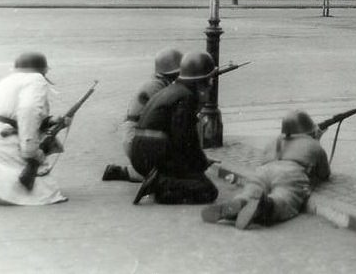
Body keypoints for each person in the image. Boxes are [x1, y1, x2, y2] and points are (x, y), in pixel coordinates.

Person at [201, 110, 330, 229]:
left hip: (264, 170)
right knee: (284, 198)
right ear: (309, 130)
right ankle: (264, 206)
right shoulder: (312, 144)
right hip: (290, 172)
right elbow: (324, 173)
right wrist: (316, 141)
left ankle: (240, 201)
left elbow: (263, 159)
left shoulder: (274, 141)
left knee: (251, 189)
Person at [0, 52, 68, 206]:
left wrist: (51, 121)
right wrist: (30, 151)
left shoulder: (7, 81)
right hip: (1, 138)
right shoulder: (36, 80)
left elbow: (12, 114)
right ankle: (8, 189)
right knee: (44, 187)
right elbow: (28, 111)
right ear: (42, 69)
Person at [130, 51, 220, 205]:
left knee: (198, 179)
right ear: (200, 81)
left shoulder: (174, 90)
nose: (211, 84)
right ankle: (161, 184)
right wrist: (199, 164)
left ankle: (162, 181)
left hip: (144, 151)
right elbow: (184, 140)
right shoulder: (186, 98)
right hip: (153, 155)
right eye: (209, 79)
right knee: (208, 190)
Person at [102, 48, 182, 182]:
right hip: (137, 139)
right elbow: (170, 115)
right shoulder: (156, 87)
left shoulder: (158, 84)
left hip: (135, 136)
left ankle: (124, 172)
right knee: (172, 174)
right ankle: (133, 172)